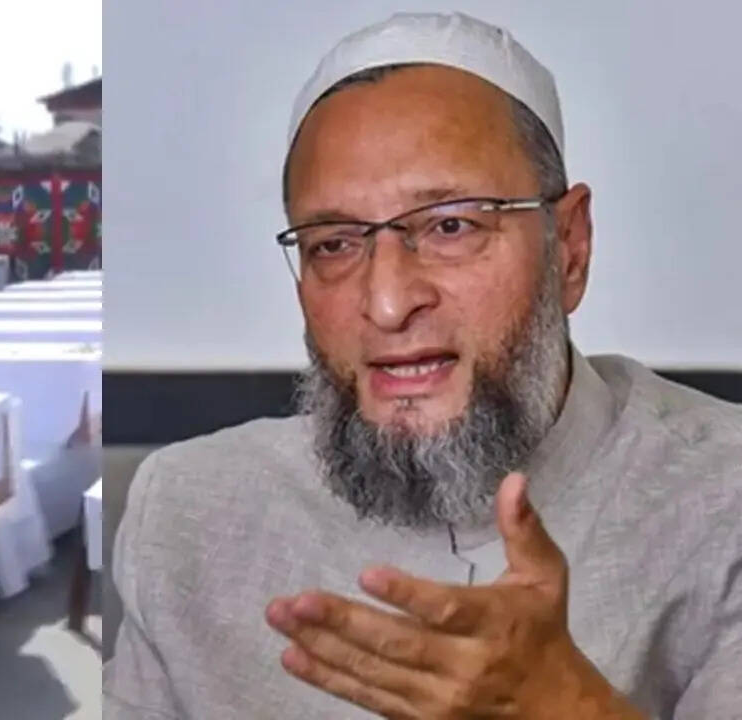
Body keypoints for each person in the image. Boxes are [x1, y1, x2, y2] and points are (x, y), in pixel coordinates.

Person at [104, 12, 742, 719]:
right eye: (334, 243)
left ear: (569, 246)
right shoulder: (190, 513)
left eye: (451, 226)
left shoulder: (723, 499)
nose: (386, 303)